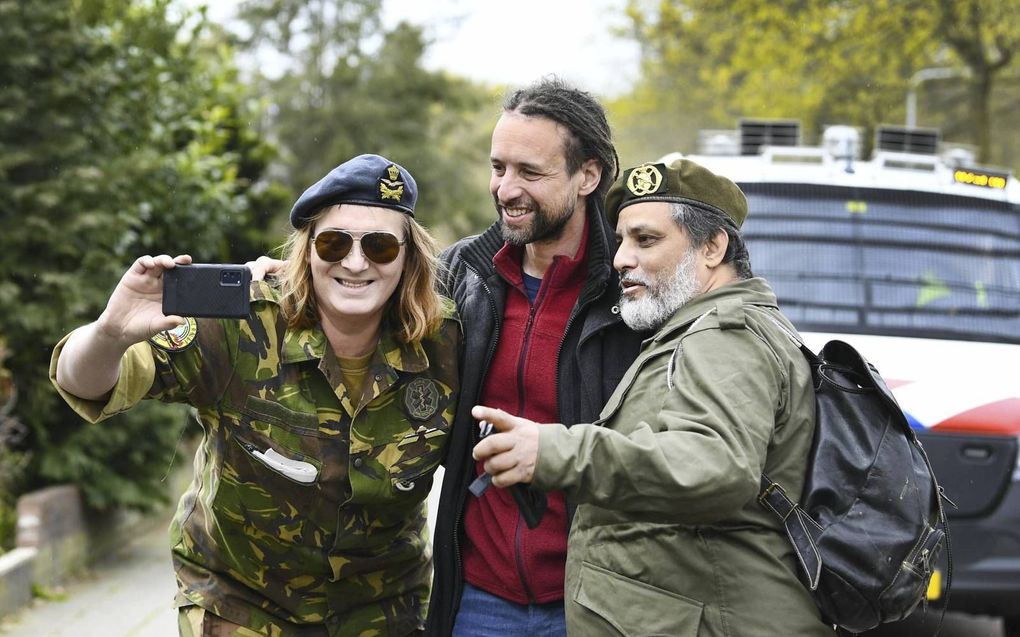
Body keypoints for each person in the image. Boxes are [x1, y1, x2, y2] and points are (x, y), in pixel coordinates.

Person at [50, 154, 461, 637]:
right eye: (332, 243)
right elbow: (84, 382)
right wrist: (111, 333)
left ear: (409, 258)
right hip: (242, 601)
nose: (354, 262)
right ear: (307, 251)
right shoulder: (241, 323)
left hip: (384, 607)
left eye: (380, 247)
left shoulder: (446, 343)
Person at [471, 159, 836, 636]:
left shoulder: (726, 336)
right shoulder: (700, 329)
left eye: (646, 240)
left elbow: (715, 466)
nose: (622, 257)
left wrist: (555, 450)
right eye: (621, 240)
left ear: (712, 247)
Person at [427, 79, 645, 637]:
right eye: (498, 168)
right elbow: (357, 305)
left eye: (530, 172)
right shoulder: (460, 275)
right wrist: (276, 288)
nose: (505, 189)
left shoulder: (635, 292)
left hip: (597, 598)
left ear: (587, 176)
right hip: (479, 594)